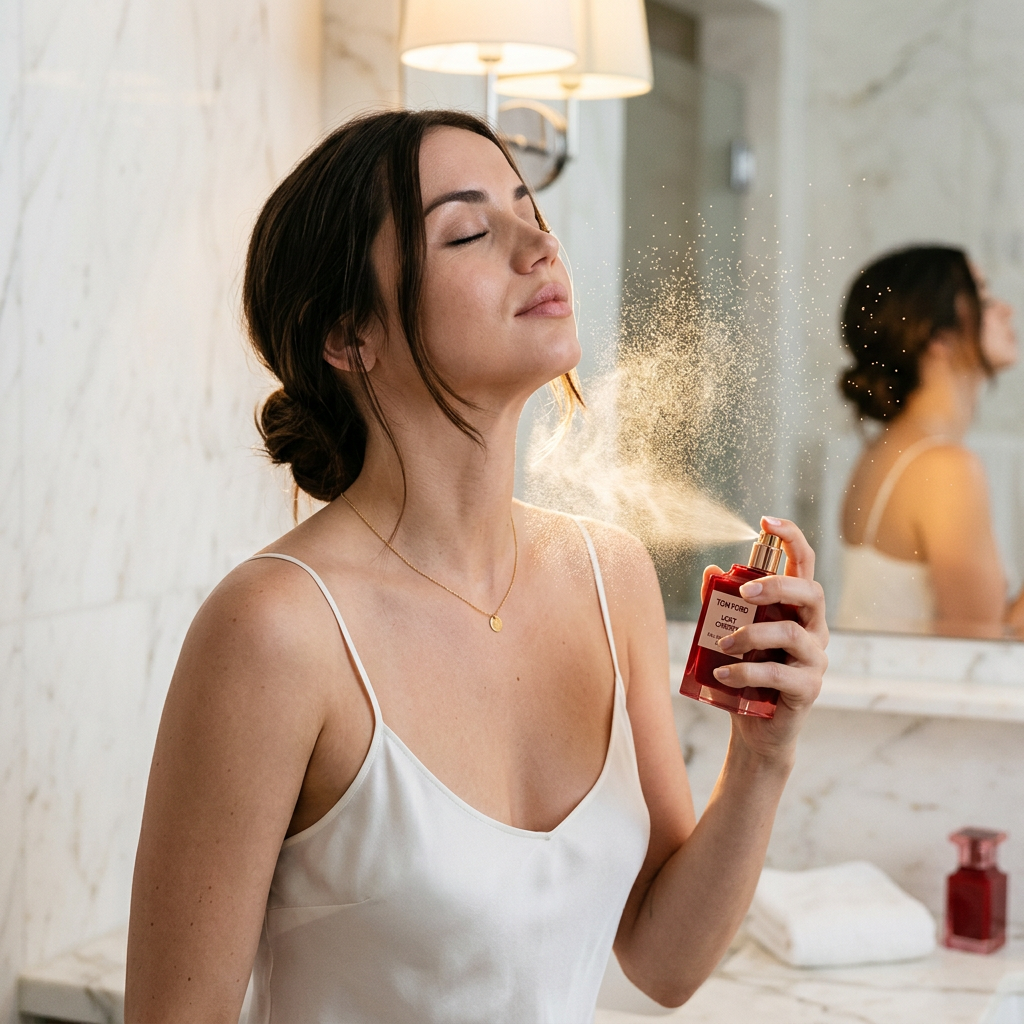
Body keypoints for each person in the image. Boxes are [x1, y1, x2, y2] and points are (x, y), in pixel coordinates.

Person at [125, 109, 827, 1024]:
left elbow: (664, 959)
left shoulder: (605, 575)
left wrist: (764, 757)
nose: (539, 243)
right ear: (348, 336)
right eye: (468, 229)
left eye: (530, 206)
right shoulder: (276, 630)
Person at [836, 245, 1022, 637]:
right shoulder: (942, 466)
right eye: (983, 299)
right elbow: (980, 650)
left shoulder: (890, 448)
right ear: (937, 335)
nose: (1005, 309)